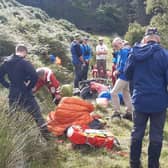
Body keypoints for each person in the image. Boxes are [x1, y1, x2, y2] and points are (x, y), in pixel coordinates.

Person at [124, 27, 168, 168]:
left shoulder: (134, 52)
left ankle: (134, 163)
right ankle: (153, 165)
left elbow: (127, 73)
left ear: (145, 38)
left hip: (140, 99)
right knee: (156, 135)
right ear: (158, 39)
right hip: (158, 101)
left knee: (137, 132)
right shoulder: (164, 54)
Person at [0, 44, 50, 140]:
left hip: (13, 93)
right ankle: (47, 137)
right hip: (25, 93)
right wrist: (29, 87)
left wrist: (8, 86)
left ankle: (14, 138)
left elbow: (0, 77)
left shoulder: (6, 62)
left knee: (13, 116)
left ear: (16, 51)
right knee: (37, 114)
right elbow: (35, 76)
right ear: (24, 52)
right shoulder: (25, 63)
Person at [111, 37, 133, 120]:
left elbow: (123, 64)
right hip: (127, 76)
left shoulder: (124, 52)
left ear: (121, 44)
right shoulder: (121, 51)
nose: (115, 48)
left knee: (113, 93)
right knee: (126, 94)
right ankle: (129, 113)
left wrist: (117, 71)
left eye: (116, 46)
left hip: (124, 76)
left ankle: (117, 113)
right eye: (114, 46)